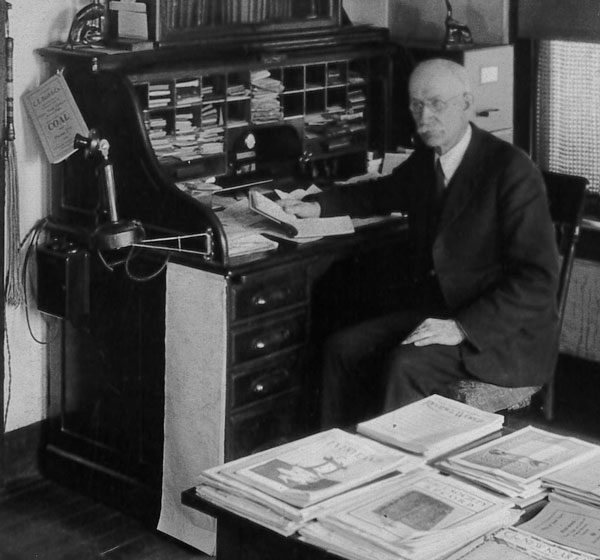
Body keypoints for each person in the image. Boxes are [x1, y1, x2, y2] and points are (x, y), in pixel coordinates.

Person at [279, 58, 560, 428]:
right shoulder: (430, 160)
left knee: (405, 365)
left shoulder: (511, 171)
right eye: (416, 105)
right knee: (342, 349)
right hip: (442, 312)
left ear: (466, 103)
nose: (424, 116)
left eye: (437, 104)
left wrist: (461, 327)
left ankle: (394, 476)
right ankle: (338, 461)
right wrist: (317, 205)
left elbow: (537, 280)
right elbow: (382, 192)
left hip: (501, 336)